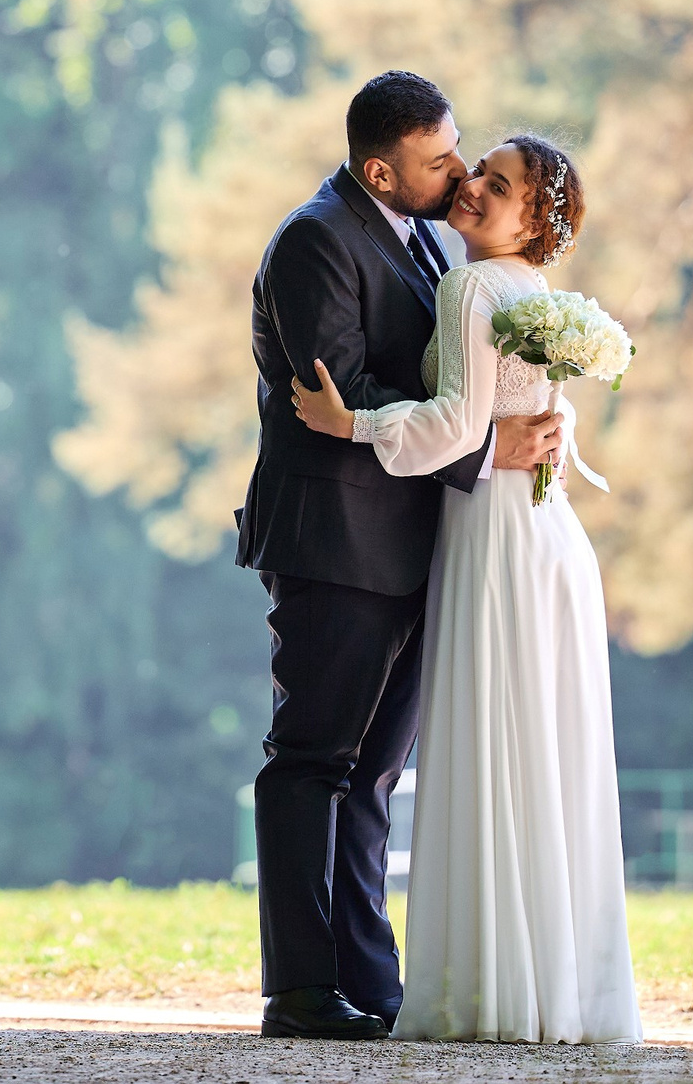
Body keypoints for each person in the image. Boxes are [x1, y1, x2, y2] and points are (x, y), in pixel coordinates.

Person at [291, 133, 642, 1045]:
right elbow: (536, 415)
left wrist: (349, 421)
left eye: (499, 183)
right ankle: (547, 987)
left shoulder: (473, 284)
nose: (473, 187)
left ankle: (491, 985)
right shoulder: (533, 291)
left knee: (494, 747)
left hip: (494, 532)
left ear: (537, 217)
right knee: (536, 752)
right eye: (474, 171)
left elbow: (454, 426)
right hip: (546, 532)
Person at [240, 71, 566, 1042]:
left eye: (458, 147)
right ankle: (298, 990)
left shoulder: (424, 237)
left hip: (419, 537)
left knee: (373, 773)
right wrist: (485, 446)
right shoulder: (315, 240)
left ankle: (369, 984)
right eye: (437, 159)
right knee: (311, 760)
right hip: (334, 538)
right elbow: (345, 386)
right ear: (380, 168)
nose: (458, 169)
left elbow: (454, 375)